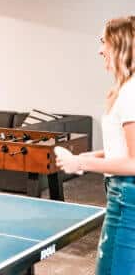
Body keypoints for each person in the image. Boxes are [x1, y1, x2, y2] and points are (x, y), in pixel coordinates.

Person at [56, 16, 135, 274]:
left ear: (122, 44)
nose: (100, 49)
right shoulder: (125, 89)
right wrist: (95, 155)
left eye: (104, 41)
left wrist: (80, 162)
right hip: (121, 193)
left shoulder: (131, 92)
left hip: (127, 197)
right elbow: (123, 149)